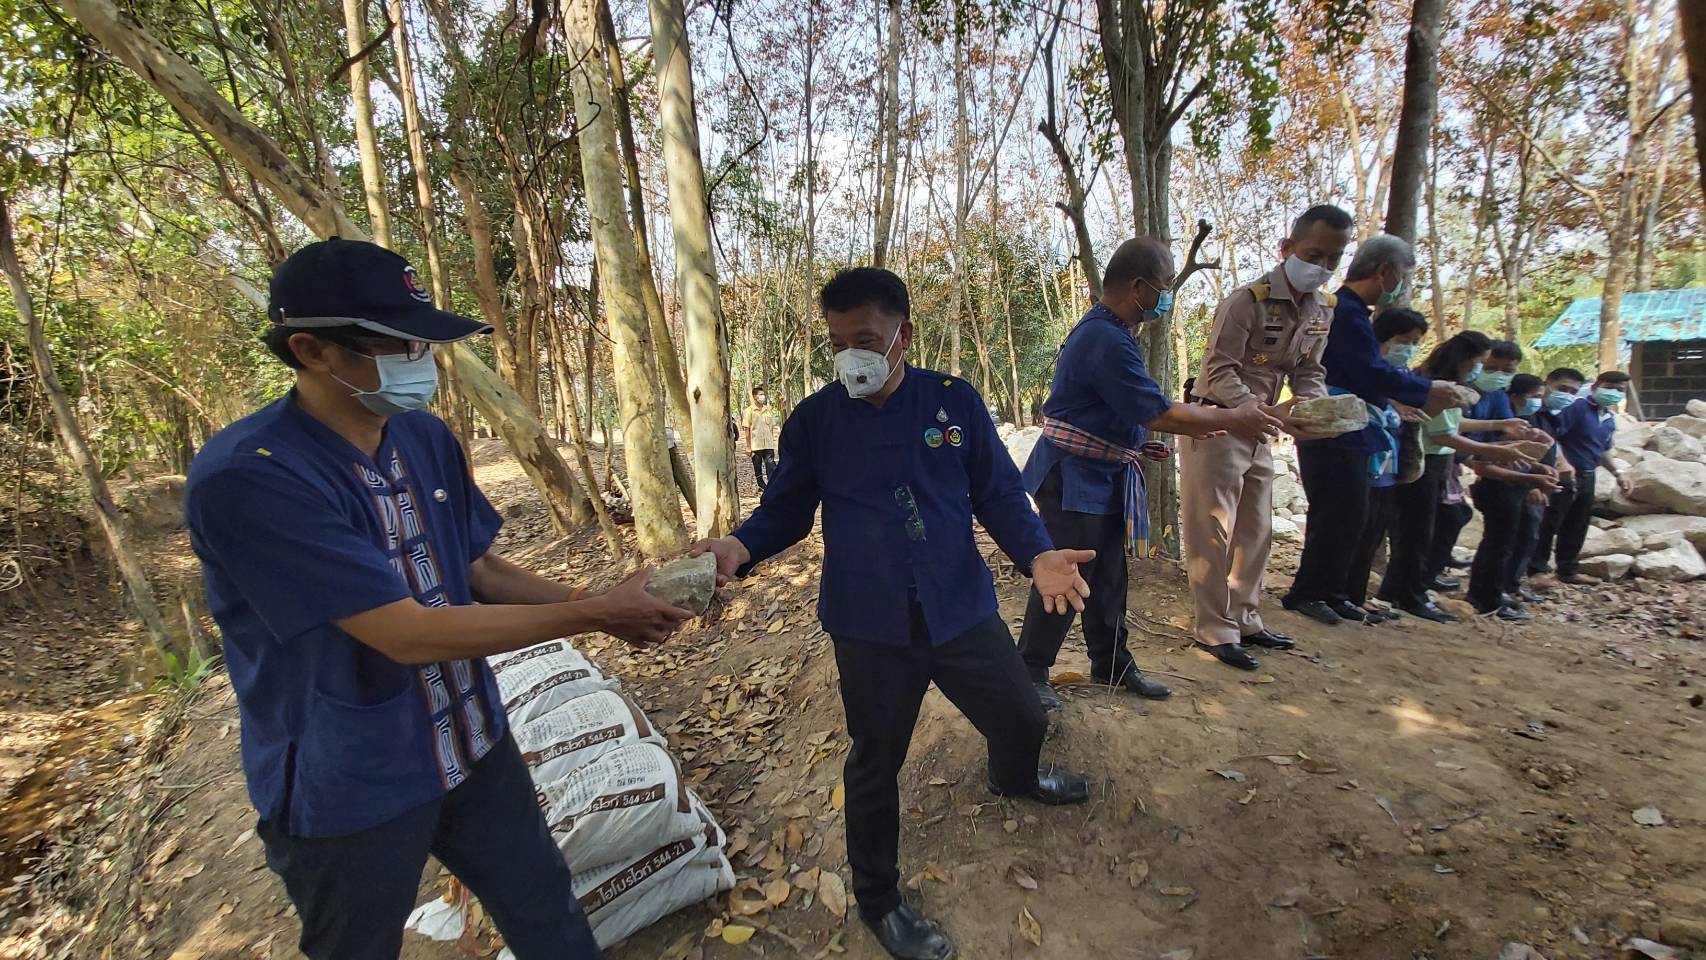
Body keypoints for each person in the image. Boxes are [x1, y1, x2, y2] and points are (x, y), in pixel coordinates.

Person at [183, 239, 695, 960]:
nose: (419, 360)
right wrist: (594, 614)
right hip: (353, 779)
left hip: (471, 743)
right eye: (396, 345)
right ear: (311, 350)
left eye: (423, 343)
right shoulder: (253, 478)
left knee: (547, 910)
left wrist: (597, 597)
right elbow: (406, 634)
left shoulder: (422, 437)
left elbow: (479, 568)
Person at [691, 267, 1094, 960]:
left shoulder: (952, 402)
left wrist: (1037, 554)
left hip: (958, 607)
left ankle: (1015, 778)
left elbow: (998, 493)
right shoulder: (815, 421)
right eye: (837, 342)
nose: (851, 356)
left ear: (904, 335)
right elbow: (787, 509)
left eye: (866, 340)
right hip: (869, 624)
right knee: (875, 762)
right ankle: (879, 900)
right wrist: (738, 545)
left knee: (1024, 717)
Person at [1017, 238, 1283, 705]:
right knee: (1066, 574)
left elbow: (1123, 410)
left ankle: (1112, 665)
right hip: (1073, 474)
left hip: (1101, 472)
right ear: (1138, 287)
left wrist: (1140, 443)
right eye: (1165, 284)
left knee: (1108, 576)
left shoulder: (1117, 333)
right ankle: (1030, 672)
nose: (1168, 295)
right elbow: (1156, 411)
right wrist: (1231, 417)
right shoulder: (1104, 338)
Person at [1180, 204, 1353, 672]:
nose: (1323, 266)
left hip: (1263, 427)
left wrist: (1311, 407)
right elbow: (1219, 369)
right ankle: (1214, 628)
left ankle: (1245, 617)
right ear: (1287, 248)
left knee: (1255, 529)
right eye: (1314, 254)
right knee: (1212, 530)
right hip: (1218, 422)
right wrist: (1251, 410)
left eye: (1333, 258)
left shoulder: (1323, 309)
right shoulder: (1246, 302)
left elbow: (1309, 370)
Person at [1282, 234, 1463, 625]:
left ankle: (1336, 592)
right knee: (1335, 513)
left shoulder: (1353, 313)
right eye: (1402, 276)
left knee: (1353, 516)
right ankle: (1308, 592)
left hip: (1353, 428)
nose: (1399, 285)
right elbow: (1369, 372)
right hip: (1335, 426)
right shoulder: (1344, 313)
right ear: (1385, 271)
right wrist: (1427, 389)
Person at [1375, 331, 1537, 622]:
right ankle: (1408, 595)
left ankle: (1404, 591)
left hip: (1437, 462)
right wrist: (1494, 450)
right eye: (1481, 362)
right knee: (1415, 534)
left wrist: (1500, 424)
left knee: (1424, 530)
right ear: (1465, 358)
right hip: (1424, 462)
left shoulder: (1448, 384)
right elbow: (1442, 434)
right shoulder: (1435, 384)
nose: (1480, 368)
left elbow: (1454, 422)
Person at [1342, 307, 1429, 623]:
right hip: (1364, 460)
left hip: (1387, 467)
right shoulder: (1364, 371)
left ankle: (1357, 596)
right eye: (1404, 340)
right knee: (1355, 532)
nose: (1409, 348)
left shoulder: (1398, 376)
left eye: (1415, 342)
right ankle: (1342, 595)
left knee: (1373, 534)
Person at [1427, 339, 1527, 593]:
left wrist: (1503, 430)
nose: (1495, 374)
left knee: (1453, 516)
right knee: (1444, 519)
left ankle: (1425, 577)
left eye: (1507, 371)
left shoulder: (1493, 395)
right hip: (1434, 461)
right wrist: (1489, 451)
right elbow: (1443, 434)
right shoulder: (1445, 388)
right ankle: (1418, 582)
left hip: (1450, 461)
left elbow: (1459, 425)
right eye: (1486, 365)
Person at [1465, 374, 1560, 620]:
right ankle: (1488, 599)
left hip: (1512, 487)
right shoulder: (1491, 421)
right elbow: (1483, 464)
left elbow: (1518, 456)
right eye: (1534, 396)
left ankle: (1495, 592)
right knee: (1497, 546)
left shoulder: (1518, 421)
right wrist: (1531, 480)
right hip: (1498, 488)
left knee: (1505, 544)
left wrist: (1537, 468)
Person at [1549, 370, 1636, 584]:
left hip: (1588, 475)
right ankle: (1536, 569)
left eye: (1619, 390)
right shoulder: (1576, 408)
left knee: (1577, 524)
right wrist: (1561, 464)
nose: (1614, 393)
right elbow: (1552, 437)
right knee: (1549, 522)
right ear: (1596, 386)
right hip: (1565, 474)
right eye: (1609, 387)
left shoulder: (1609, 419)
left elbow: (1603, 449)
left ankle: (1567, 570)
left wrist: (1617, 472)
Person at [1529, 368, 1587, 575]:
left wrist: (1563, 464)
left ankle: (1538, 569)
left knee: (1548, 524)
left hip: (1553, 477)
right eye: (1562, 388)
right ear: (1547, 384)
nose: (1567, 395)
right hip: (1529, 478)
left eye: (1573, 392)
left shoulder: (1553, 416)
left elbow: (1554, 443)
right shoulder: (1529, 411)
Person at [743, 385, 781, 491]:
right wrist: (748, 446)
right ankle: (761, 485)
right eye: (760, 395)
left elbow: (771, 427)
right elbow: (747, 429)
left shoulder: (767, 410)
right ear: (755, 396)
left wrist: (773, 440)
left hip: (768, 444)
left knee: (771, 465)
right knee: (757, 467)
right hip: (756, 445)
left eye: (763, 394)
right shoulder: (749, 411)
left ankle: (772, 486)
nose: (762, 396)